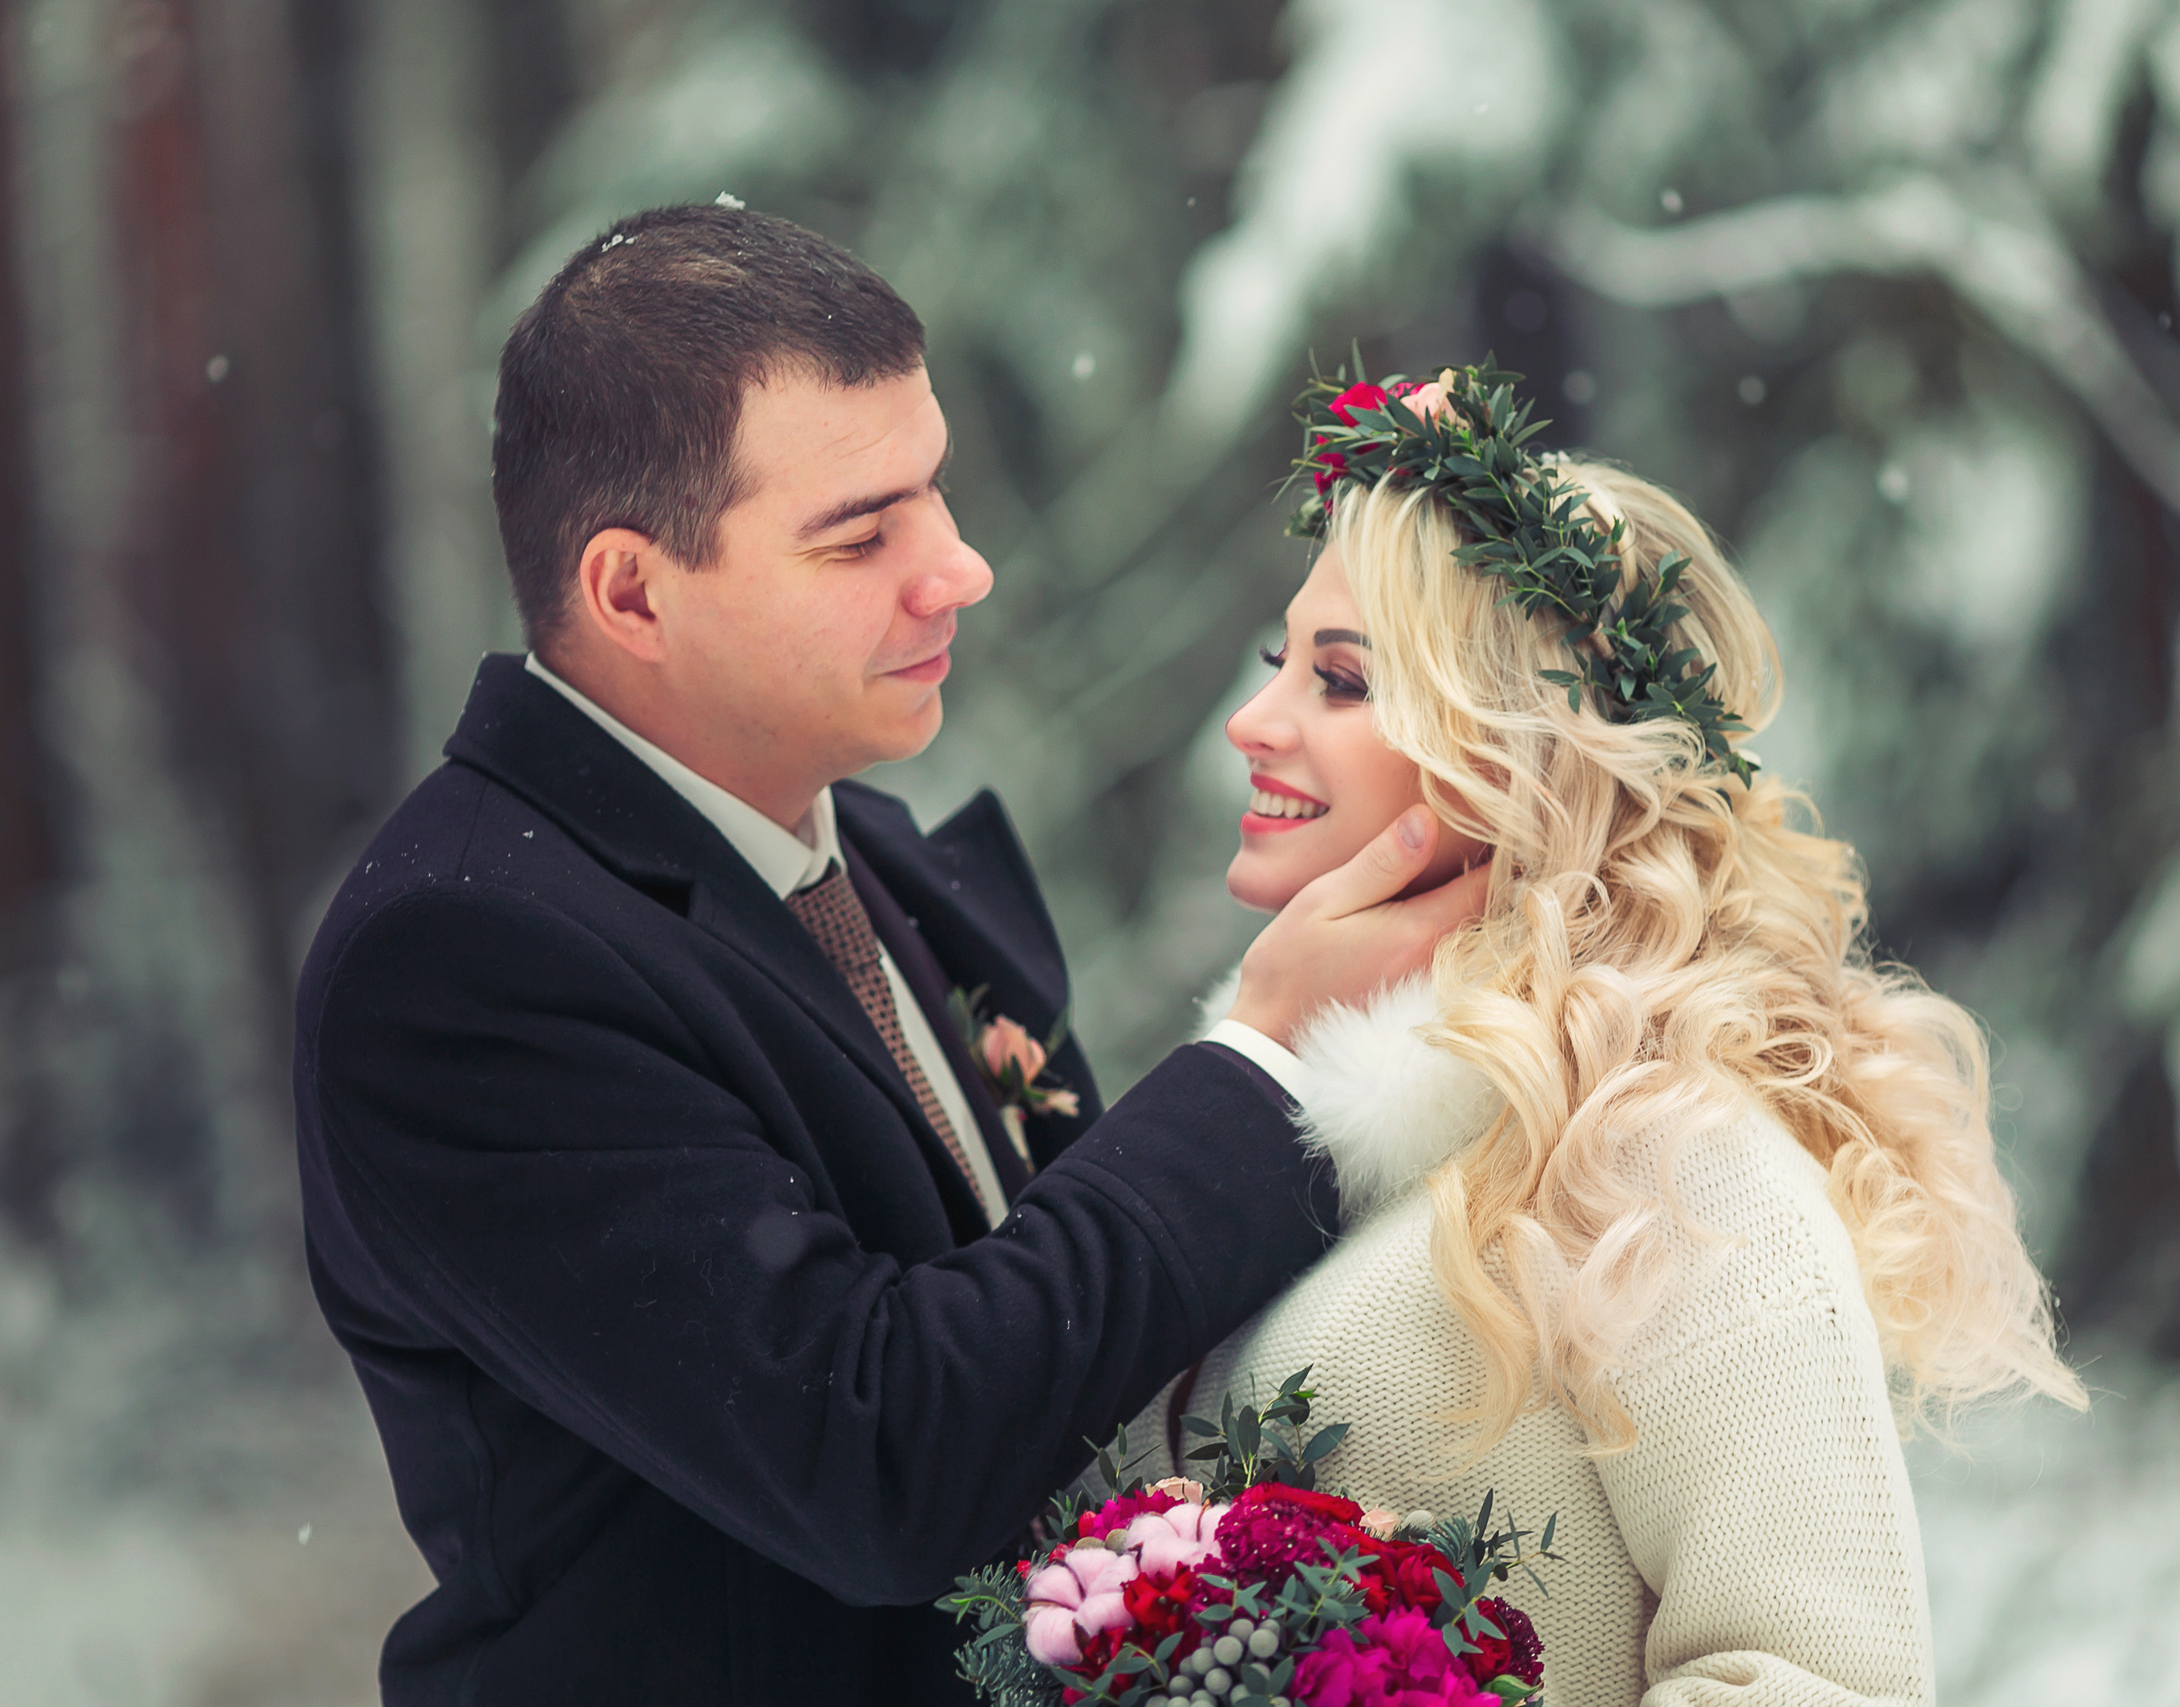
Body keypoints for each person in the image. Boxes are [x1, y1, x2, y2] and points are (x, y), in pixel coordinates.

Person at [291, 207, 1483, 1707]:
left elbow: (1076, 1374)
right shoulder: (463, 961)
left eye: (933, 494)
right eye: (861, 535)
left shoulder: (884, 859)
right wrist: (1256, 1058)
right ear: (631, 593)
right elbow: (883, 1458)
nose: (959, 571)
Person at [1129, 365, 2087, 1706]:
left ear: (1506, 750)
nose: (1256, 720)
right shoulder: (1252, 1133)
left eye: (1341, 681)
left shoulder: (1664, 1163)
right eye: (1276, 661)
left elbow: (1822, 1681)